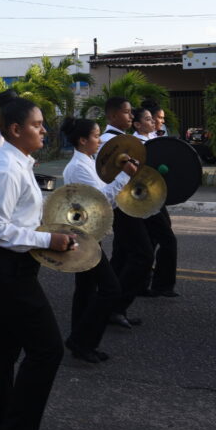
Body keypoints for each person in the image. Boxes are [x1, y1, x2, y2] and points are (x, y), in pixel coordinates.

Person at [0, 90, 74, 430]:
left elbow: (16, 219)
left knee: (2, 351)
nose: (44, 131)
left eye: (43, 124)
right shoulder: (3, 171)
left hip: (5, 267)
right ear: (15, 129)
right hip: (2, 269)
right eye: (37, 125)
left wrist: (51, 231)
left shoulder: (18, 165)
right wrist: (46, 241)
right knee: (47, 350)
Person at [61, 117, 134, 363]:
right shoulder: (78, 166)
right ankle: (81, 340)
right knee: (110, 289)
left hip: (91, 233)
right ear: (82, 140)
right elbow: (101, 199)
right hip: (85, 235)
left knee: (85, 289)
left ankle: (80, 342)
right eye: (95, 136)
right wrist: (125, 177)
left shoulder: (88, 162)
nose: (100, 140)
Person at [101, 97, 150, 329]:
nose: (131, 117)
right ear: (112, 116)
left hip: (131, 202)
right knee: (143, 255)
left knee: (121, 256)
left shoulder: (126, 140)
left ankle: (109, 305)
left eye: (132, 113)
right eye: (127, 113)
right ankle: (116, 306)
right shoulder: (107, 142)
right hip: (120, 205)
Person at [134, 106, 180, 298]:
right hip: (145, 198)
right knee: (167, 240)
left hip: (156, 197)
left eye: (158, 119)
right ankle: (161, 285)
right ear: (138, 123)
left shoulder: (154, 140)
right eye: (151, 119)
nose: (156, 122)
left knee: (152, 241)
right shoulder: (136, 144)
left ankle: (142, 284)